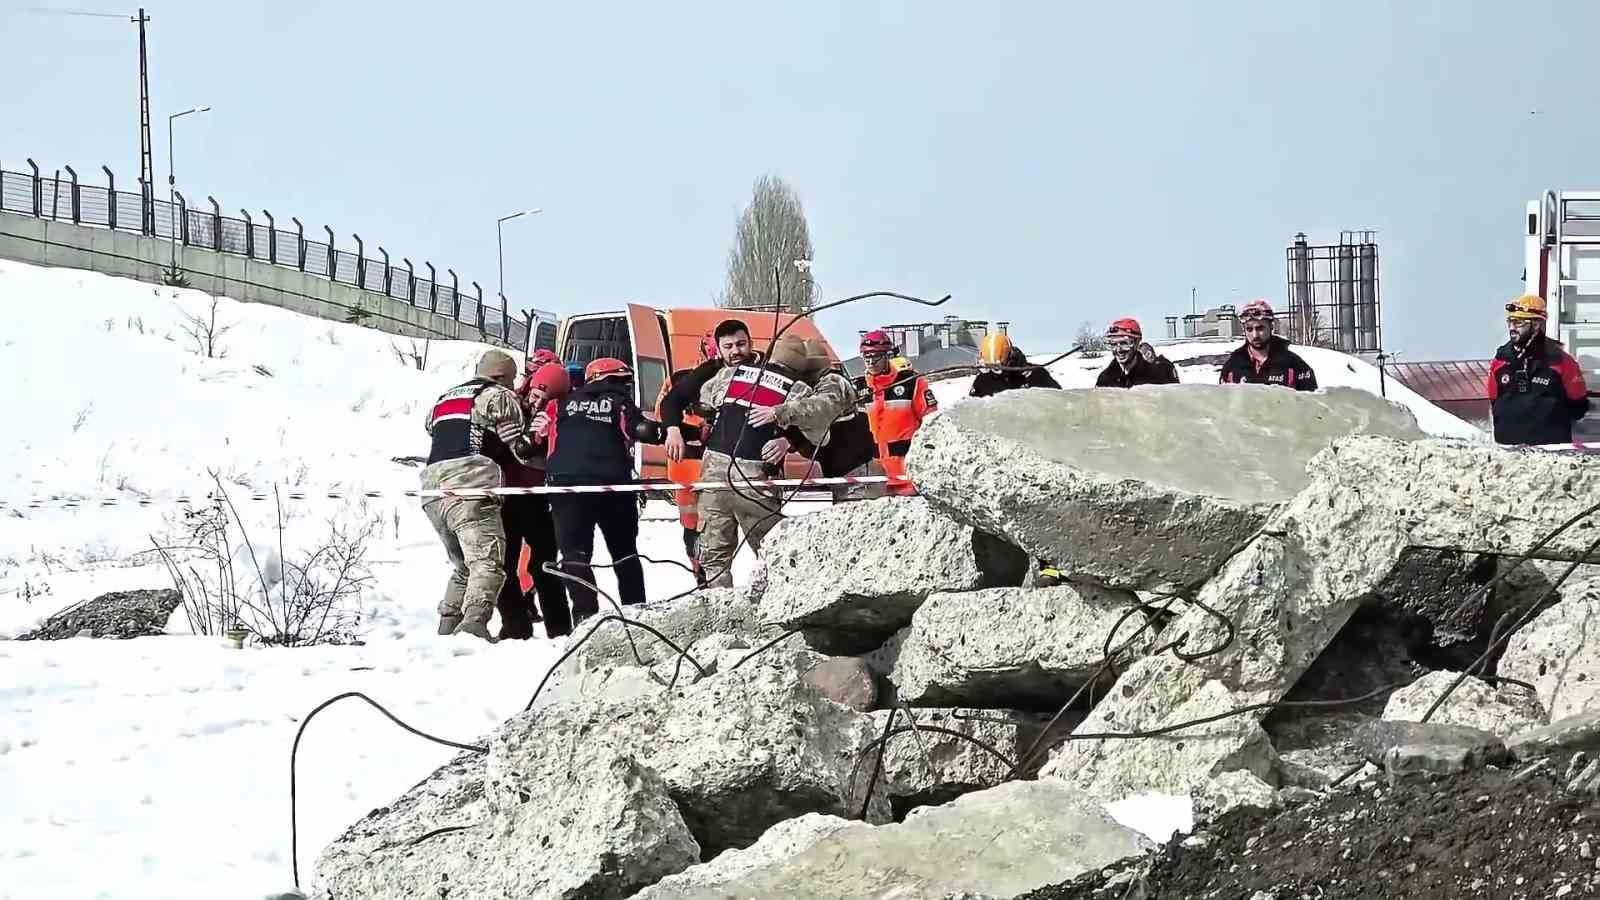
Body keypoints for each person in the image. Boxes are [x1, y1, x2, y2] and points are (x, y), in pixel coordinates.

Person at [696, 334, 835, 588]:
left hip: (713, 472)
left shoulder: (732, 373)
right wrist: (789, 440)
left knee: (714, 557)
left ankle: (719, 604)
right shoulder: (797, 388)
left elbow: (705, 399)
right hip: (754, 478)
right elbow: (821, 436)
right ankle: (779, 601)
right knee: (772, 550)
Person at [539, 357, 666, 632]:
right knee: (624, 553)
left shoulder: (559, 404)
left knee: (574, 555)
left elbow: (535, 442)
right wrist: (679, 432)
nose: (625, 386)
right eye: (623, 381)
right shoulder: (619, 402)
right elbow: (641, 430)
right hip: (613, 486)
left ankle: (585, 619)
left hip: (566, 487)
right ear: (612, 380)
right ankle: (635, 614)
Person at [420, 349, 530, 641]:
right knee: (486, 562)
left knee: (464, 566)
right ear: (502, 376)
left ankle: (447, 624)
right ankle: (474, 626)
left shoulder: (444, 398)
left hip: (432, 490)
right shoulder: (497, 395)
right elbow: (519, 441)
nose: (513, 386)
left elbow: (432, 428)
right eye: (511, 380)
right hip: (470, 483)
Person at [964, 333, 1067, 587]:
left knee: (1043, 511)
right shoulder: (984, 381)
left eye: (998, 367)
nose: (995, 372)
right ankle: (1003, 576)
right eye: (990, 368)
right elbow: (971, 413)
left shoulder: (1035, 376)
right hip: (1000, 459)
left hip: (1035, 453)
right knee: (1002, 517)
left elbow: (1060, 405)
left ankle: (1051, 569)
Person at [496, 361, 570, 640]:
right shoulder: (511, 404)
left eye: (544, 400)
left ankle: (559, 629)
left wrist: (547, 435)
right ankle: (515, 625)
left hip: (538, 497)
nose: (537, 403)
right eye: (535, 395)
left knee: (544, 563)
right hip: (506, 494)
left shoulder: (559, 414)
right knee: (504, 564)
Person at [748, 337, 871, 502]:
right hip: (841, 473)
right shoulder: (812, 387)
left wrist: (778, 413)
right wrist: (789, 440)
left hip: (858, 475)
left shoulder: (834, 382)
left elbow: (818, 409)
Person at [1489, 294, 1591, 445]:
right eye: (1510, 321)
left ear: (1536, 324)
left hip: (1552, 454)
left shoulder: (1562, 362)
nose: (1511, 328)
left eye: (1518, 323)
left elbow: (1579, 406)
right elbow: (1493, 401)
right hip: (1508, 453)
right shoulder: (1499, 361)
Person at [659, 332, 718, 586]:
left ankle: (706, 578)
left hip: (701, 463)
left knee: (705, 528)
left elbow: (662, 412)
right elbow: (663, 414)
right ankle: (702, 577)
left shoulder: (680, 379)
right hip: (690, 463)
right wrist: (694, 429)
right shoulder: (681, 380)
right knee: (695, 527)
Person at [858, 330, 938, 496]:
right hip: (876, 478)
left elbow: (933, 423)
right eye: (866, 357)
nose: (871, 362)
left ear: (887, 355)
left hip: (909, 475)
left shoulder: (912, 383)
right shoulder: (859, 389)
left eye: (876, 357)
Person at [1219, 299, 1318, 390]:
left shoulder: (1295, 365)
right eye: (1249, 329)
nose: (1255, 335)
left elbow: (1311, 402)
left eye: (1260, 328)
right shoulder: (1232, 365)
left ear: (1271, 326)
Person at [970, 332, 1061, 396]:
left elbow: (1060, 400)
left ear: (1010, 355)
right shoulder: (982, 380)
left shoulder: (1036, 374)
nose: (992, 370)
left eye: (997, 366)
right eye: (989, 366)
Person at [1095, 319, 1179, 388]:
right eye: (1113, 344)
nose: (1119, 350)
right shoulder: (1105, 379)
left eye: (1124, 343)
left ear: (1137, 343)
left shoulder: (1159, 372)